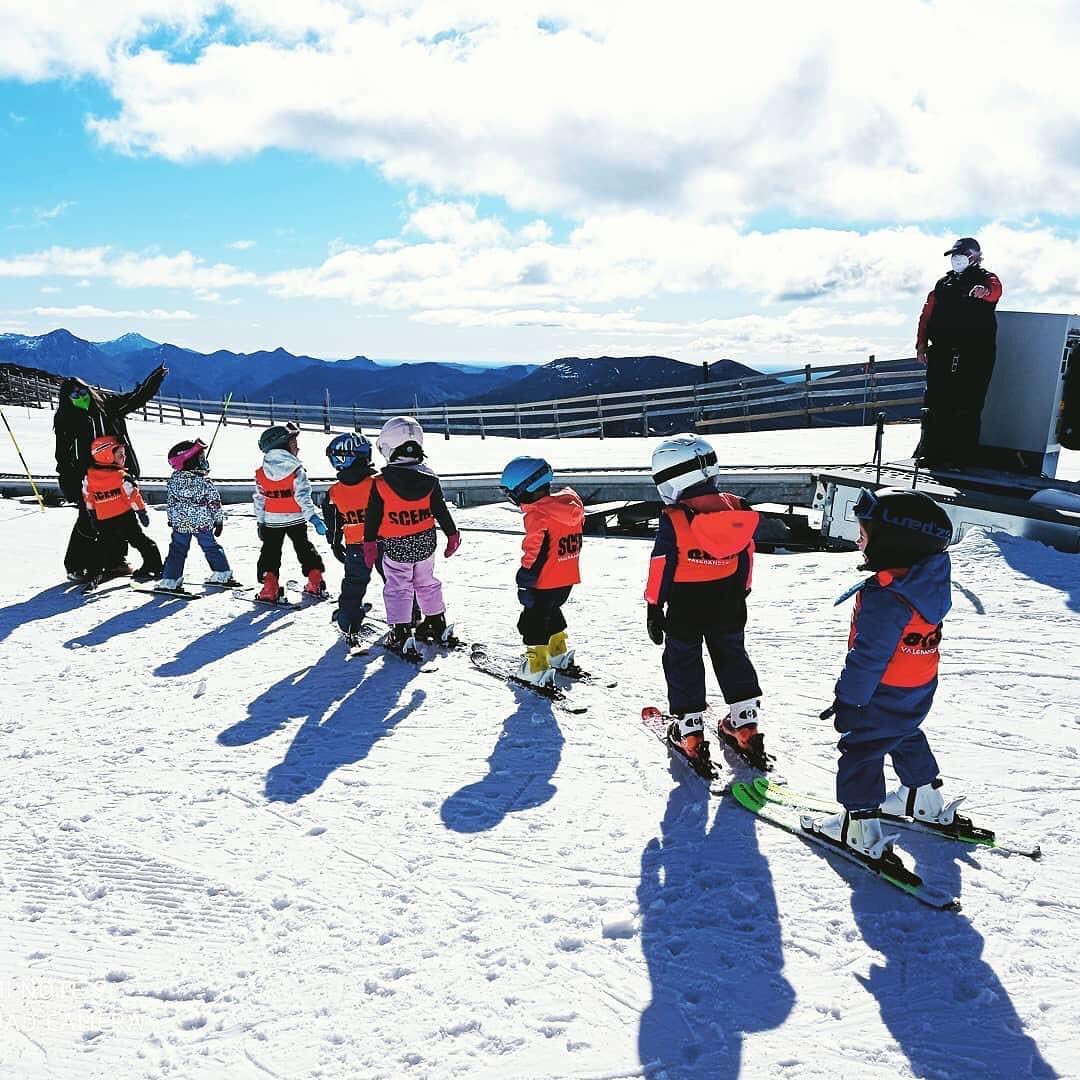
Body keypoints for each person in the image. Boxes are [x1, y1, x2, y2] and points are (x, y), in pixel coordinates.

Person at [804, 488, 962, 860]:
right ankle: (921, 798)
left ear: (894, 541)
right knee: (904, 732)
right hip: (918, 686)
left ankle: (859, 826)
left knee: (862, 748)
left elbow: (869, 657)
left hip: (883, 689)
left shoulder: (887, 595)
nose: (859, 537)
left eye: (866, 531)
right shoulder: (927, 581)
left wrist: (849, 699)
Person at [645, 434, 765, 769]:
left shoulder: (675, 517)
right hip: (728, 599)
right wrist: (742, 590)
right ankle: (745, 726)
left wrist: (654, 607)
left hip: (686, 605)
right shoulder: (738, 509)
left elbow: (662, 566)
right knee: (732, 656)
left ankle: (690, 733)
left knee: (683, 663)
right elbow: (747, 556)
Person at [53, 363, 168, 580]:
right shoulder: (66, 418)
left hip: (119, 470)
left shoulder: (108, 405)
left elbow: (136, 398)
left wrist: (154, 380)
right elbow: (63, 454)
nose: (80, 395)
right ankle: (76, 565)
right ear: (66, 398)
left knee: (121, 514)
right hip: (90, 477)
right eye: (74, 394)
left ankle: (116, 562)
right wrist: (68, 481)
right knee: (89, 519)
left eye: (82, 390)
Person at [363, 416, 461, 653]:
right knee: (427, 582)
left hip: (396, 543)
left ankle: (401, 630)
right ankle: (437, 622)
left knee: (398, 586)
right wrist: (452, 533)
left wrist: (369, 543)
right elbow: (440, 508)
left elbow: (373, 516)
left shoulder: (380, 483)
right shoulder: (430, 479)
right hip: (426, 540)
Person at [915, 237, 1003, 467]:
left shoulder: (986, 278)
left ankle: (961, 457)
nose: (957, 260)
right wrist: (921, 344)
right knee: (935, 402)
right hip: (942, 351)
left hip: (975, 353)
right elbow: (926, 316)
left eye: (962, 255)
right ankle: (931, 453)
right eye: (954, 256)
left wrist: (984, 292)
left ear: (974, 257)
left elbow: (995, 291)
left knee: (967, 403)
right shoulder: (943, 284)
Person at [499, 456, 584, 686]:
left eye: (512, 493)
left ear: (525, 490)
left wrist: (525, 581)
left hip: (542, 582)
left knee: (532, 623)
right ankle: (558, 655)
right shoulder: (571, 505)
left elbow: (534, 552)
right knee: (553, 612)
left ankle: (536, 668)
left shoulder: (538, 516)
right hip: (566, 578)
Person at [253, 423, 328, 602]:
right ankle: (315, 580)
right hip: (296, 518)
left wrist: (260, 522)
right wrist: (313, 518)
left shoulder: (261, 473)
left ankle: (269, 587)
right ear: (283, 445)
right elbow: (303, 497)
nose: (298, 447)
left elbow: (260, 500)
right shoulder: (297, 471)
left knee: (270, 553)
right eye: (294, 443)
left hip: (272, 521)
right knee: (305, 548)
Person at [81, 435, 163, 588]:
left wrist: (141, 512)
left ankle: (153, 565)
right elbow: (89, 497)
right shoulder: (109, 477)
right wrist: (141, 511)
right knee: (109, 545)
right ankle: (95, 573)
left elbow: (132, 496)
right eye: (120, 454)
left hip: (117, 518)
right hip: (113, 518)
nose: (124, 457)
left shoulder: (104, 476)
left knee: (132, 541)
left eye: (124, 454)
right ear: (105, 455)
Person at [158, 439, 236, 591]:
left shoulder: (173, 482)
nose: (204, 461)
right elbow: (214, 502)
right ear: (189, 461)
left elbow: (171, 503)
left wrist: (171, 519)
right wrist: (218, 520)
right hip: (202, 523)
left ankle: (170, 579)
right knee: (211, 547)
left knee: (177, 550)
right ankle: (222, 573)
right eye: (201, 458)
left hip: (181, 523)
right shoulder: (204, 482)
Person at [324, 432, 378, 645]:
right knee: (396, 582)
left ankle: (348, 618)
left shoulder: (334, 492)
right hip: (384, 542)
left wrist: (335, 543)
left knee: (354, 583)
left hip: (356, 546)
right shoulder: (377, 484)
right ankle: (408, 615)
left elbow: (334, 523)